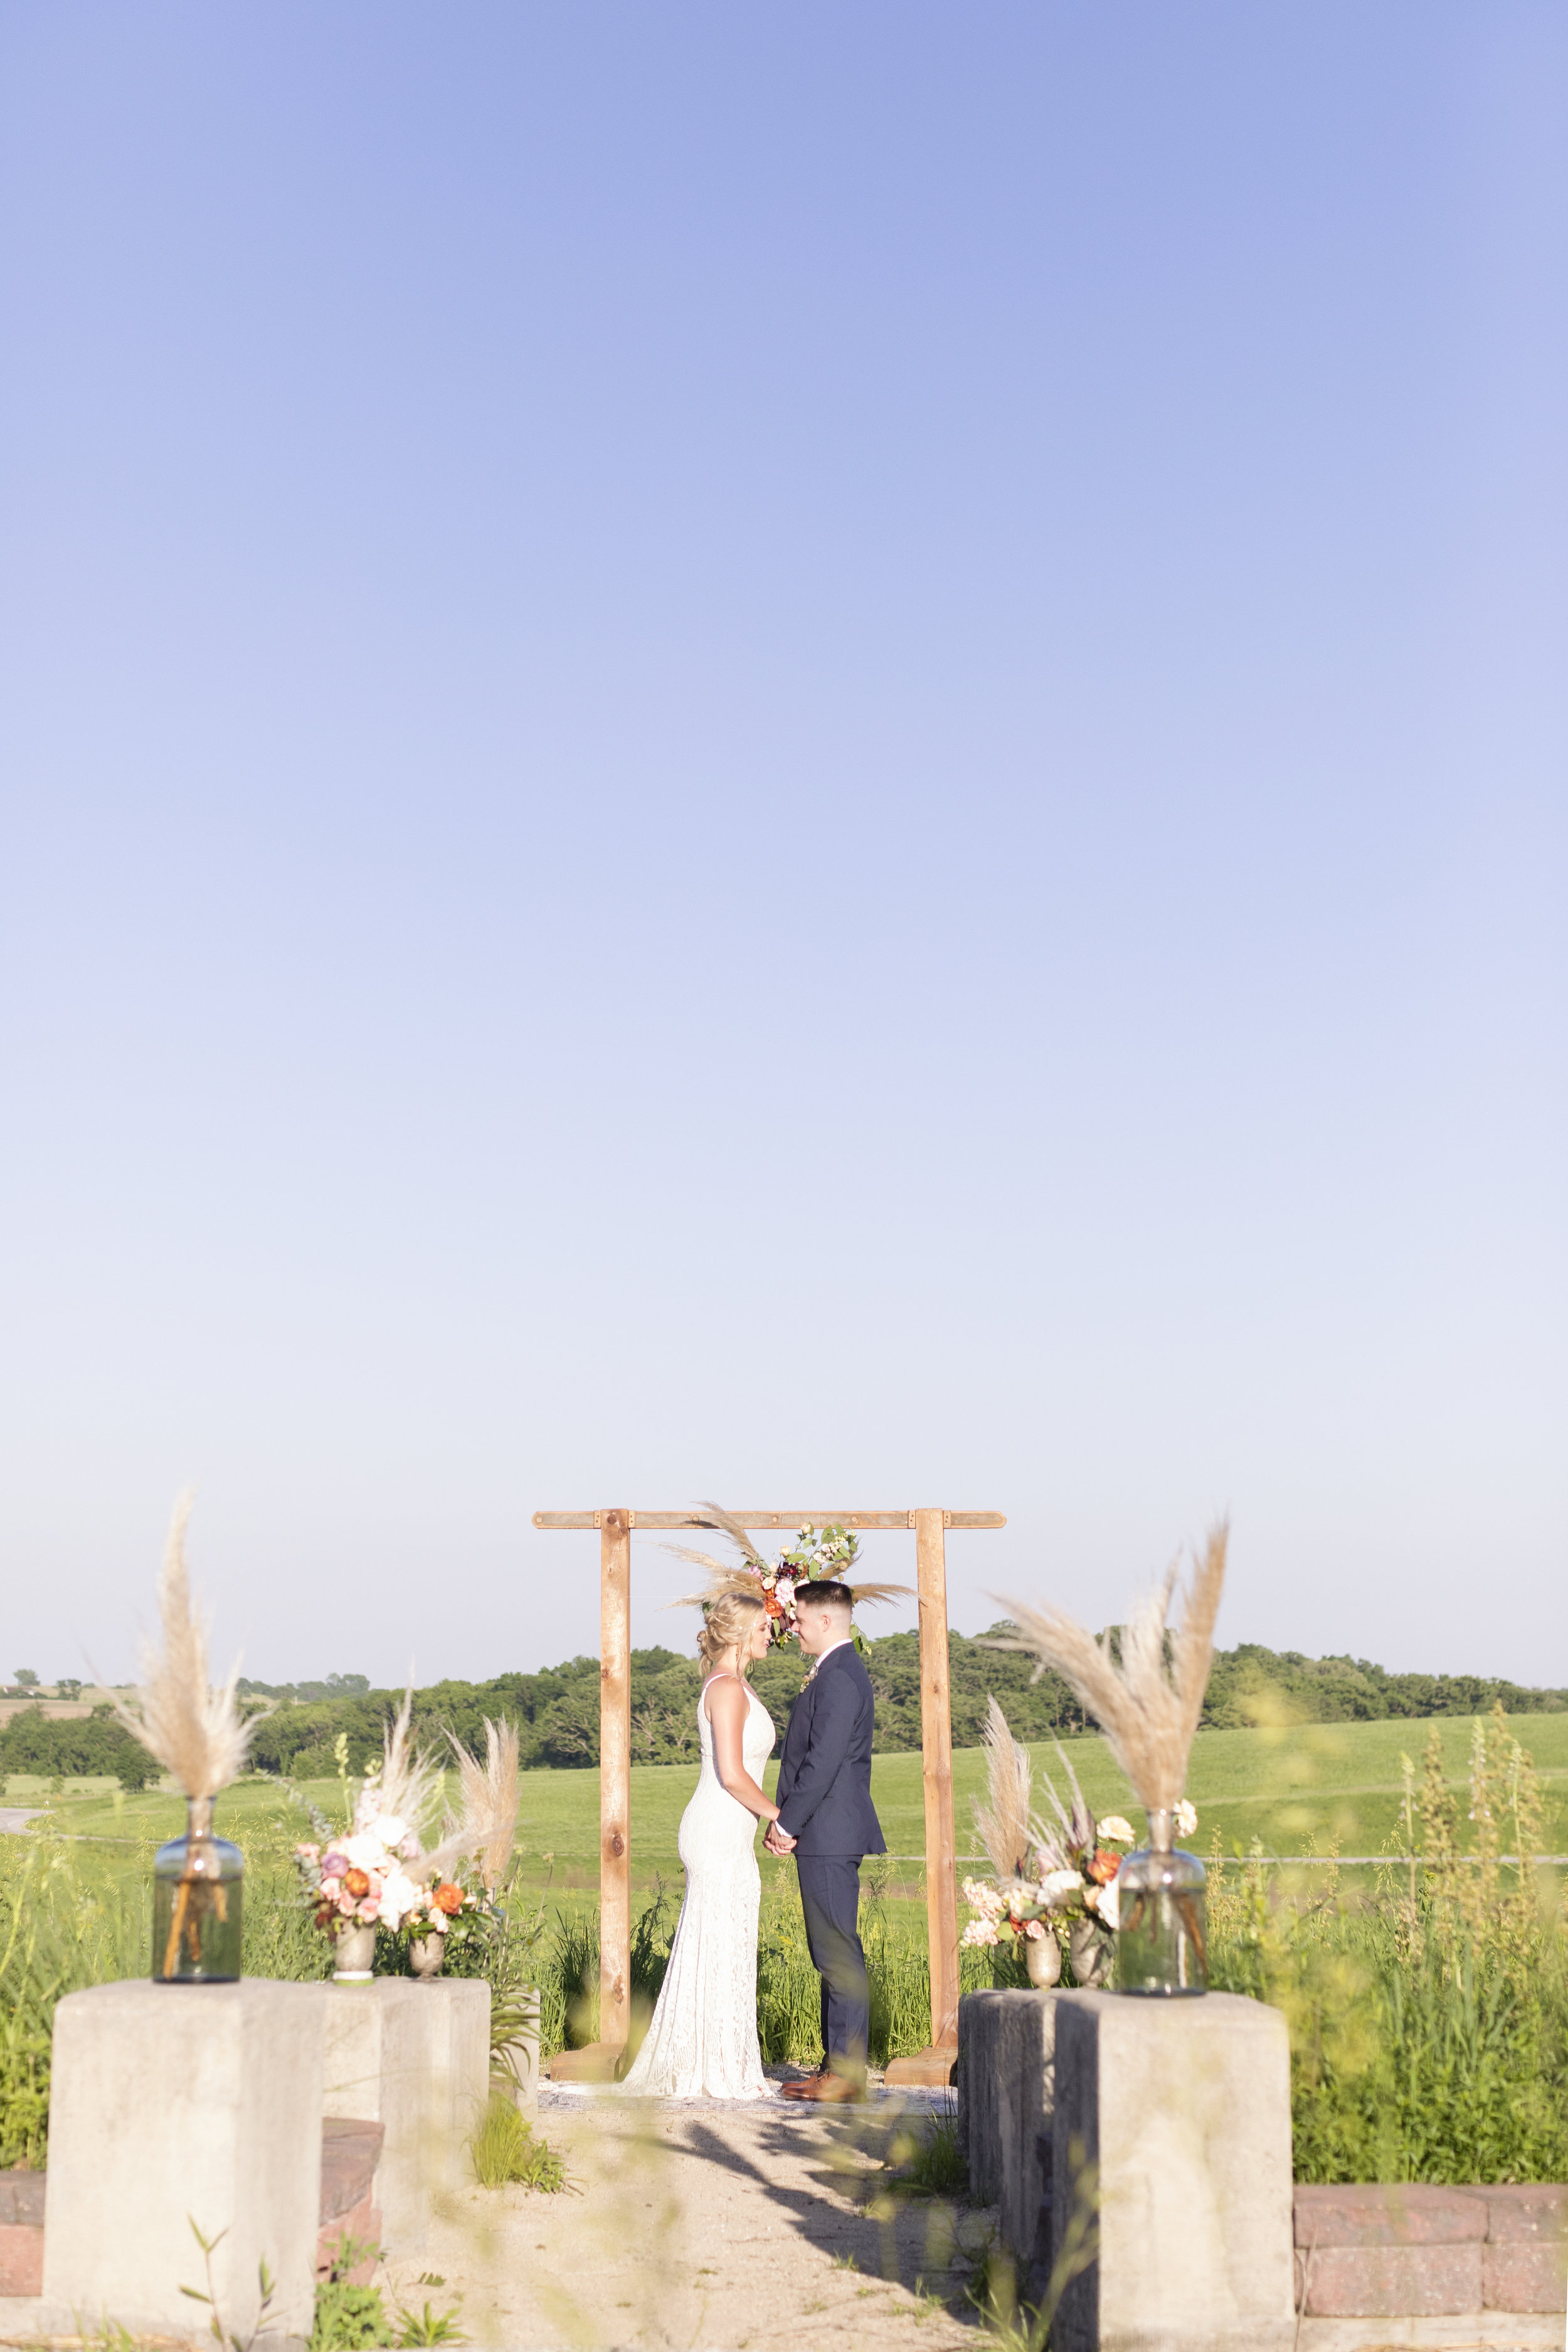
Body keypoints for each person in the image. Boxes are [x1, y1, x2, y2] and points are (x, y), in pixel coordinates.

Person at [620, 1589, 781, 2099]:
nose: (769, 1635)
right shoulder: (728, 1688)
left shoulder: (731, 1684)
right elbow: (732, 1775)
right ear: (737, 1634)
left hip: (730, 1831)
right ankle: (704, 2064)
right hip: (717, 1828)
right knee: (715, 1940)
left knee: (725, 1941)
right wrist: (778, 1816)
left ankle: (717, 2057)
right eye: (761, 1629)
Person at [765, 1581, 886, 2102]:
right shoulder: (836, 1670)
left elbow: (822, 1762)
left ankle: (846, 2075)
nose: (793, 1627)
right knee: (831, 1951)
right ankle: (835, 2067)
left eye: (799, 1619)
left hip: (830, 1833)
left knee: (837, 1953)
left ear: (827, 1622)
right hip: (828, 1833)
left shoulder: (838, 1677)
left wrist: (787, 1822)